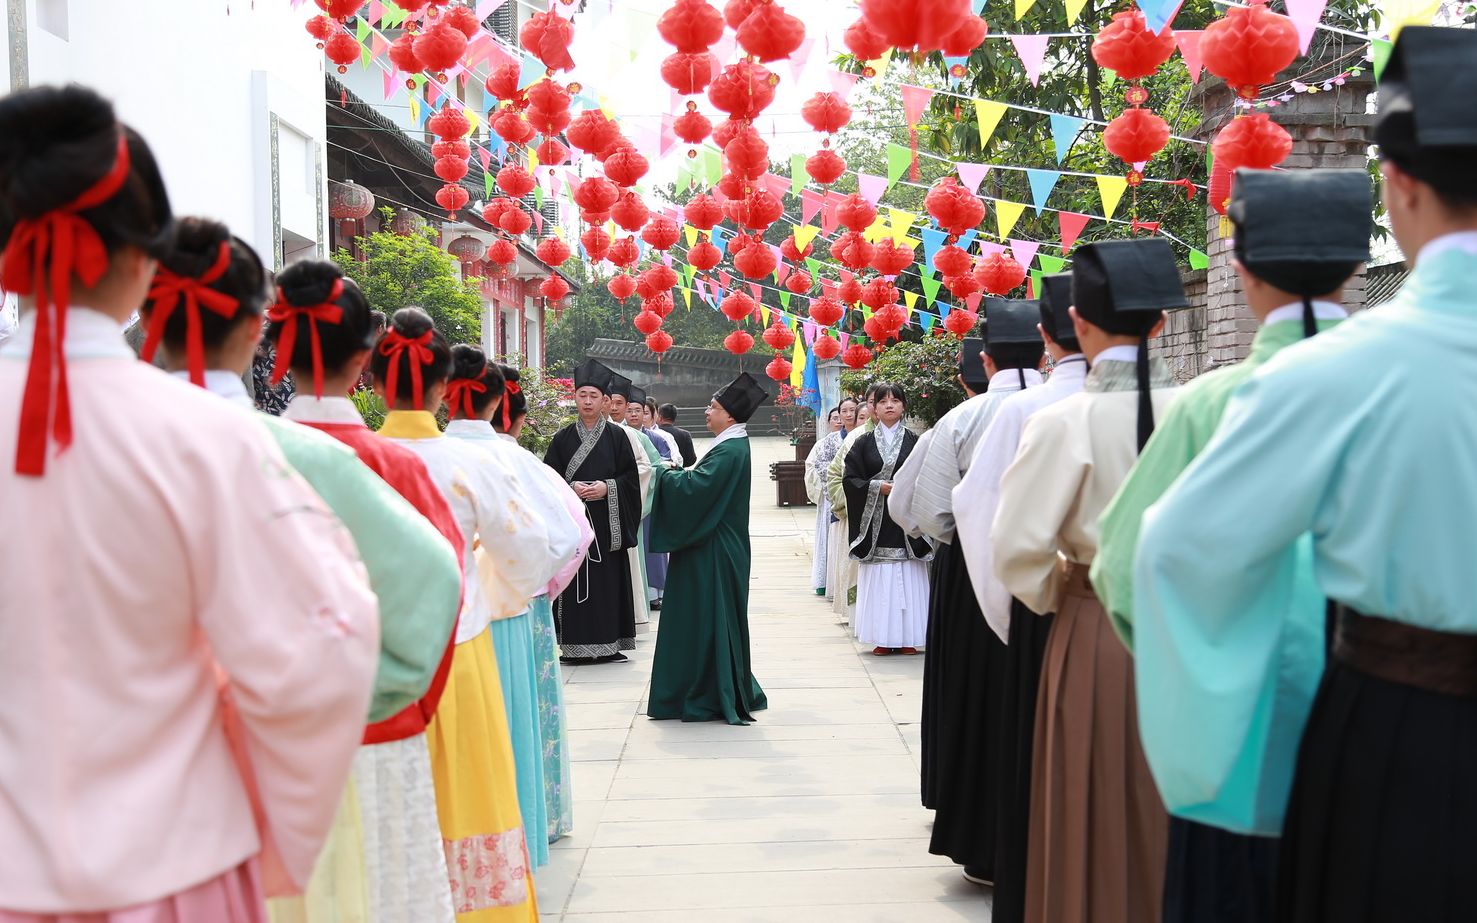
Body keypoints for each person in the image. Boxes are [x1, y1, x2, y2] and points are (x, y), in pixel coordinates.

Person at [0, 85, 379, 920]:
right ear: (145, 264)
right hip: (170, 861)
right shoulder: (209, 437)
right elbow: (326, 646)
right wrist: (260, 806)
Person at [1134, 27, 1477, 923]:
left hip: (1407, 738)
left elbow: (1176, 550)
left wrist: (1219, 730)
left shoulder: (1335, 370)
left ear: (1395, 185)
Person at [140, 237, 465, 923]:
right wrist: (393, 703)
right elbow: (438, 589)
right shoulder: (355, 463)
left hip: (171, 759)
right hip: (363, 728)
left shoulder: (99, 443)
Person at [1092, 169, 1369, 923]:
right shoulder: (1399, 381)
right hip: (1394, 728)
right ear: (1355, 271)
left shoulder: (1213, 401)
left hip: (1241, 737)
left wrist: (1194, 663)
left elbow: (1120, 567)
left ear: (1240, 274)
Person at [266, 259, 474, 923]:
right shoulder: (398, 467)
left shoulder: (245, 450)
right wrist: (409, 701)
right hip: (379, 729)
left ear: (279, 346)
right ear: (365, 356)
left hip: (263, 733)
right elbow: (443, 600)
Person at [992, 237, 1187, 923]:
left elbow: (1016, 551)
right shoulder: (1206, 407)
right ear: (1160, 322)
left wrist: (1066, 594)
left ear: (1075, 322)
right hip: (1194, 626)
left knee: (1092, 797)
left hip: (1095, 623)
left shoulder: (1061, 420)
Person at [372, 308, 553, 923]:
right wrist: (485, 576)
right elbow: (531, 557)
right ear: (446, 388)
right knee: (466, 789)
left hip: (367, 652)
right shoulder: (476, 463)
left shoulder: (353, 456)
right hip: (457, 641)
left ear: (372, 383)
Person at [950, 273, 1090, 923]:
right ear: (1157, 324)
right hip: (1146, 611)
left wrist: (1016, 608)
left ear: (1045, 338)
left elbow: (985, 519)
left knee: (1041, 753)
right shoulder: (1173, 397)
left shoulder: (1023, 411)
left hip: (1054, 606)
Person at [901, 308, 1045, 885]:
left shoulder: (962, 417)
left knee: (976, 696)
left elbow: (929, 510)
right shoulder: (1067, 405)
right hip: (1053, 568)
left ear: (983, 362)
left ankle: (979, 834)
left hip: (969, 565)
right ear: (1044, 353)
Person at [443, 345, 585, 872]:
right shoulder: (510, 459)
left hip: (440, 611)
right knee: (515, 718)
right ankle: (525, 823)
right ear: (501, 400)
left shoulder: (418, 453)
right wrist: (525, 583)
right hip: (508, 607)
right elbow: (567, 535)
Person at [492, 362, 591, 846]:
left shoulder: (433, 456)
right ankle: (539, 814)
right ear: (519, 417)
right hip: (523, 603)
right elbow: (576, 534)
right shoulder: (531, 467)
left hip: (458, 604)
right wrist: (544, 585)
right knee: (529, 711)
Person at [647, 372, 771, 725]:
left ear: (729, 416)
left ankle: (706, 692)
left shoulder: (730, 449)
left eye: (712, 407)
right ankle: (714, 686)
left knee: (706, 619)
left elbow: (697, 489)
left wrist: (664, 474)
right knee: (709, 619)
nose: (706, 412)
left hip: (713, 548)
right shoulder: (732, 445)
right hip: (716, 543)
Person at [544, 359, 643, 664]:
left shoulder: (617, 438)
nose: (587, 401)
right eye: (582, 395)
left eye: (593, 396)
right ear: (575, 397)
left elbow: (631, 479)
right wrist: (569, 490)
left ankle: (609, 644)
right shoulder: (561, 439)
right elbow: (548, 480)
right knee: (573, 579)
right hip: (575, 524)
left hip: (606, 523)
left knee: (607, 582)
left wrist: (608, 487)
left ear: (605, 401)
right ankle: (572, 645)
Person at [843, 382, 933, 655]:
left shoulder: (915, 442)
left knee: (908, 577)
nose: (889, 405)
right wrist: (876, 487)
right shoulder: (863, 443)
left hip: (905, 522)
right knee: (882, 580)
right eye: (883, 401)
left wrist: (905, 490)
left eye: (895, 400)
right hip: (876, 525)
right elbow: (850, 480)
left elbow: (926, 477)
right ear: (874, 408)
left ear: (904, 405)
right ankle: (882, 637)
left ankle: (909, 637)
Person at [606, 371, 657, 632]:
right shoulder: (570, 434)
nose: (613, 408)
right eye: (610, 401)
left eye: (618, 404)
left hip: (623, 511)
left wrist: (612, 489)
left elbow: (649, 469)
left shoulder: (634, 437)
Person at [826, 387, 877, 624]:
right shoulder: (857, 439)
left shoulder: (906, 437)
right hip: (858, 513)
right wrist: (850, 502)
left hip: (891, 517)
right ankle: (858, 617)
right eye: (874, 403)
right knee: (856, 569)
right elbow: (836, 475)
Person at [804, 403, 848, 597]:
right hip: (831, 497)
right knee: (828, 539)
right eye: (835, 418)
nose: (839, 420)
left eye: (845, 414)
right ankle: (825, 581)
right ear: (829, 422)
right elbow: (815, 466)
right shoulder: (825, 443)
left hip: (851, 494)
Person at [656, 401, 697, 468]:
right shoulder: (685, 434)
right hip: (679, 472)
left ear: (660, 417)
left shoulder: (654, 433)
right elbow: (691, 459)